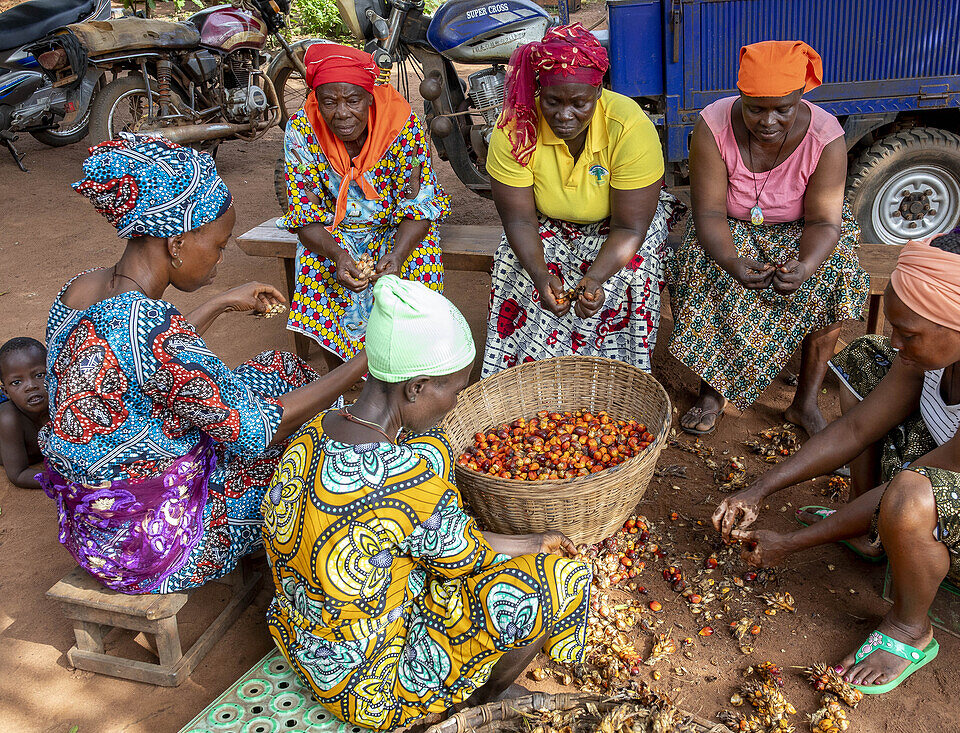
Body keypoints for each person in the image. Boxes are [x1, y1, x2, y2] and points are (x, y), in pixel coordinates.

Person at [712, 211, 960, 694]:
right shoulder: (945, 350)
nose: (899, 341)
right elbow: (856, 427)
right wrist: (758, 489)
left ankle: (911, 627)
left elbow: (913, 484)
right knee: (865, 358)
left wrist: (790, 545)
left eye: (910, 333)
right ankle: (876, 538)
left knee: (912, 495)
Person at [38, 135, 371, 594]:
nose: (220, 257)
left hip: (92, 527)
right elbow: (257, 431)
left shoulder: (80, 290)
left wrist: (218, 303)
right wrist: (359, 364)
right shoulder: (148, 325)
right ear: (176, 243)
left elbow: (141, 362)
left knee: (281, 369)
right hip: (149, 545)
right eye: (218, 244)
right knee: (307, 459)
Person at [262, 276, 591, 729]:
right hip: (370, 689)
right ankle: (478, 699)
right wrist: (537, 541)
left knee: (431, 446)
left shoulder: (315, 428)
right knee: (561, 578)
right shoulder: (405, 483)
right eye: (452, 389)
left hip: (307, 641)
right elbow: (470, 556)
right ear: (415, 387)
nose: (455, 403)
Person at [667, 41, 869, 435]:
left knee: (836, 275)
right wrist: (731, 260)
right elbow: (708, 212)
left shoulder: (825, 137)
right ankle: (714, 390)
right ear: (740, 95)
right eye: (755, 107)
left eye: (783, 109)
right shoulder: (714, 126)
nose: (768, 121)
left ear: (800, 97)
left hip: (803, 229)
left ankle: (805, 403)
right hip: (730, 224)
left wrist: (807, 264)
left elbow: (825, 223)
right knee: (701, 263)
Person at [481, 23, 683, 376]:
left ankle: (621, 377)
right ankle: (533, 375)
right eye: (553, 101)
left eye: (580, 103)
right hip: (545, 221)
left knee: (636, 266)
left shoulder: (628, 126)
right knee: (512, 263)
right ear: (540, 89)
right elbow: (518, 221)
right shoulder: (515, 127)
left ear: (599, 91)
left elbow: (630, 226)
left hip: (618, 222)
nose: (564, 115)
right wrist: (541, 275)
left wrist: (595, 280)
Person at [281, 42, 450, 370]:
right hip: (336, 233)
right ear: (316, 100)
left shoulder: (400, 126)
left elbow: (421, 205)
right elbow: (304, 216)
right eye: (329, 101)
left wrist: (397, 255)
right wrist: (340, 256)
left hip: (396, 228)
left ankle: (406, 370)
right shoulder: (303, 131)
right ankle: (343, 375)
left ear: (370, 96)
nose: (342, 113)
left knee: (419, 262)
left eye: (353, 100)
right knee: (318, 266)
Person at [0, 337, 49, 488]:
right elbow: (18, 474)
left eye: (39, 375)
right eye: (16, 382)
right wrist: (65, 481)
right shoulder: (9, 419)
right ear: (6, 392)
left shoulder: (63, 404)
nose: (30, 386)